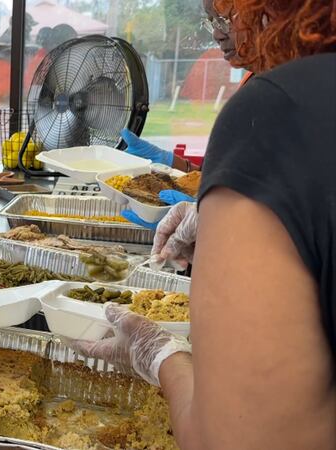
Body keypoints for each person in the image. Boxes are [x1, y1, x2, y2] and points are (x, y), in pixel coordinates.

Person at [71, 0, 336, 447]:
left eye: (226, 12)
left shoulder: (278, 110)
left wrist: (158, 355)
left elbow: (240, 438)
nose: (219, 29)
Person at [122, 0, 253, 174]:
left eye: (224, 20)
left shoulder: (283, 95)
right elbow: (221, 179)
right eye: (212, 22)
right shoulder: (250, 82)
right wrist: (169, 162)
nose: (216, 34)